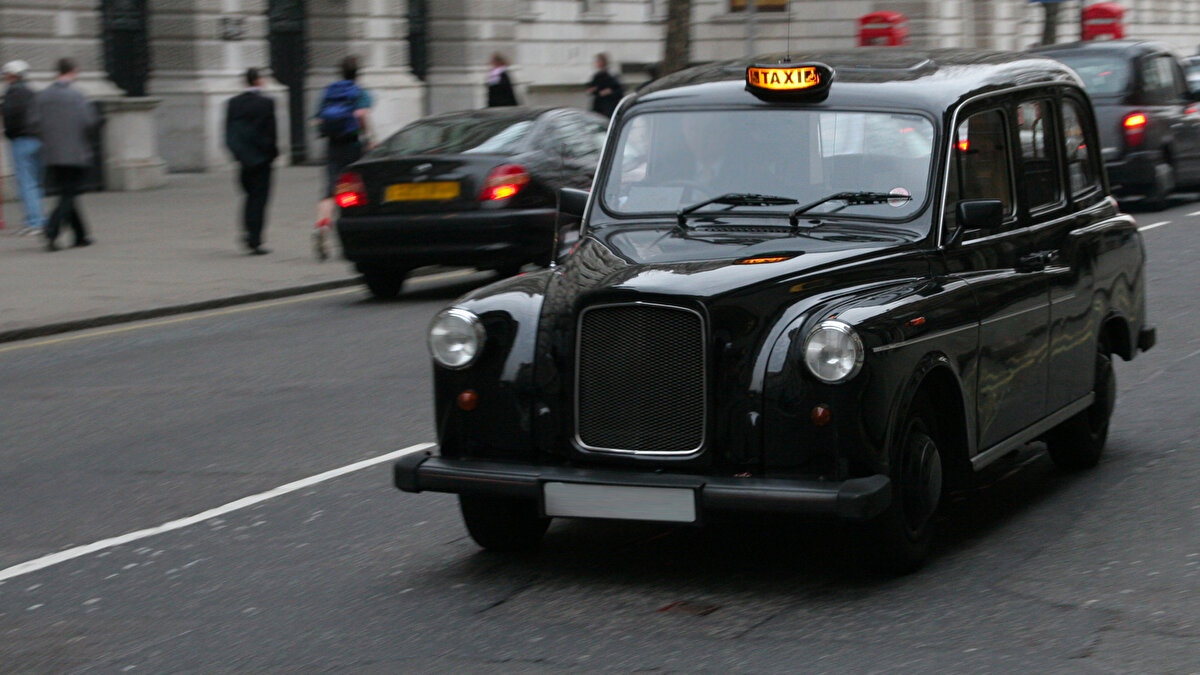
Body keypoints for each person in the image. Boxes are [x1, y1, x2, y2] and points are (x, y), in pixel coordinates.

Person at [313, 55, 373, 260]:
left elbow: (319, 118)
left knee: (329, 190)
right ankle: (352, 236)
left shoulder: (329, 91)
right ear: (358, 73)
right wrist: (369, 137)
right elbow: (362, 115)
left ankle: (322, 226)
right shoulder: (360, 93)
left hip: (332, 145)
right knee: (350, 189)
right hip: (353, 145)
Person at [36, 58, 97, 252]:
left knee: (68, 192)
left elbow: (33, 122)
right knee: (69, 194)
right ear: (73, 71)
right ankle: (51, 229)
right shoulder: (77, 96)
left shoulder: (43, 96)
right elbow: (89, 122)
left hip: (53, 153)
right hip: (75, 152)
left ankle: (80, 235)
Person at [224, 67, 279, 255]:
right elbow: (271, 132)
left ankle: (247, 232)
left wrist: (239, 155)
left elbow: (228, 133)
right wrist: (272, 154)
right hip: (262, 160)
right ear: (258, 81)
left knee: (248, 197)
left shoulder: (233, 103)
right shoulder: (266, 103)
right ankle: (255, 239)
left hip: (244, 161)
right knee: (259, 200)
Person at [2, 60, 44, 237]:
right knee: (34, 182)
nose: (4, 78)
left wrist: (9, 134)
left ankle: (34, 222)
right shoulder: (31, 92)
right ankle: (37, 219)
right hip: (36, 139)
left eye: (5, 75)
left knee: (25, 182)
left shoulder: (13, 93)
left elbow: (11, 119)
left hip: (21, 140)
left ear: (13, 75)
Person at [586, 53, 624, 118]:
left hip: (608, 108)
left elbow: (618, 90)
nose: (596, 63)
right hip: (599, 108)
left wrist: (609, 92)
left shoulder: (610, 76)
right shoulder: (597, 76)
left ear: (603, 62)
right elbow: (591, 89)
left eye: (598, 61)